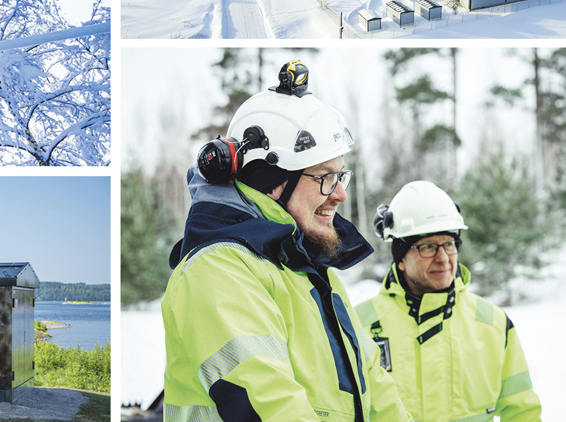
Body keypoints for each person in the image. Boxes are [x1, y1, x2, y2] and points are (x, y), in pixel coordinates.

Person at [161, 62, 413, 421]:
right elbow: (271, 407)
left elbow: (378, 391)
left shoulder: (311, 274)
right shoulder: (218, 271)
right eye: (325, 177)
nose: (340, 194)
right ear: (274, 184)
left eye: (342, 175)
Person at [355, 181, 542, 422]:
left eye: (449, 244)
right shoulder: (360, 326)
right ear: (400, 258)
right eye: (428, 247)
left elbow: (523, 414)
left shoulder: (493, 324)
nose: (443, 258)